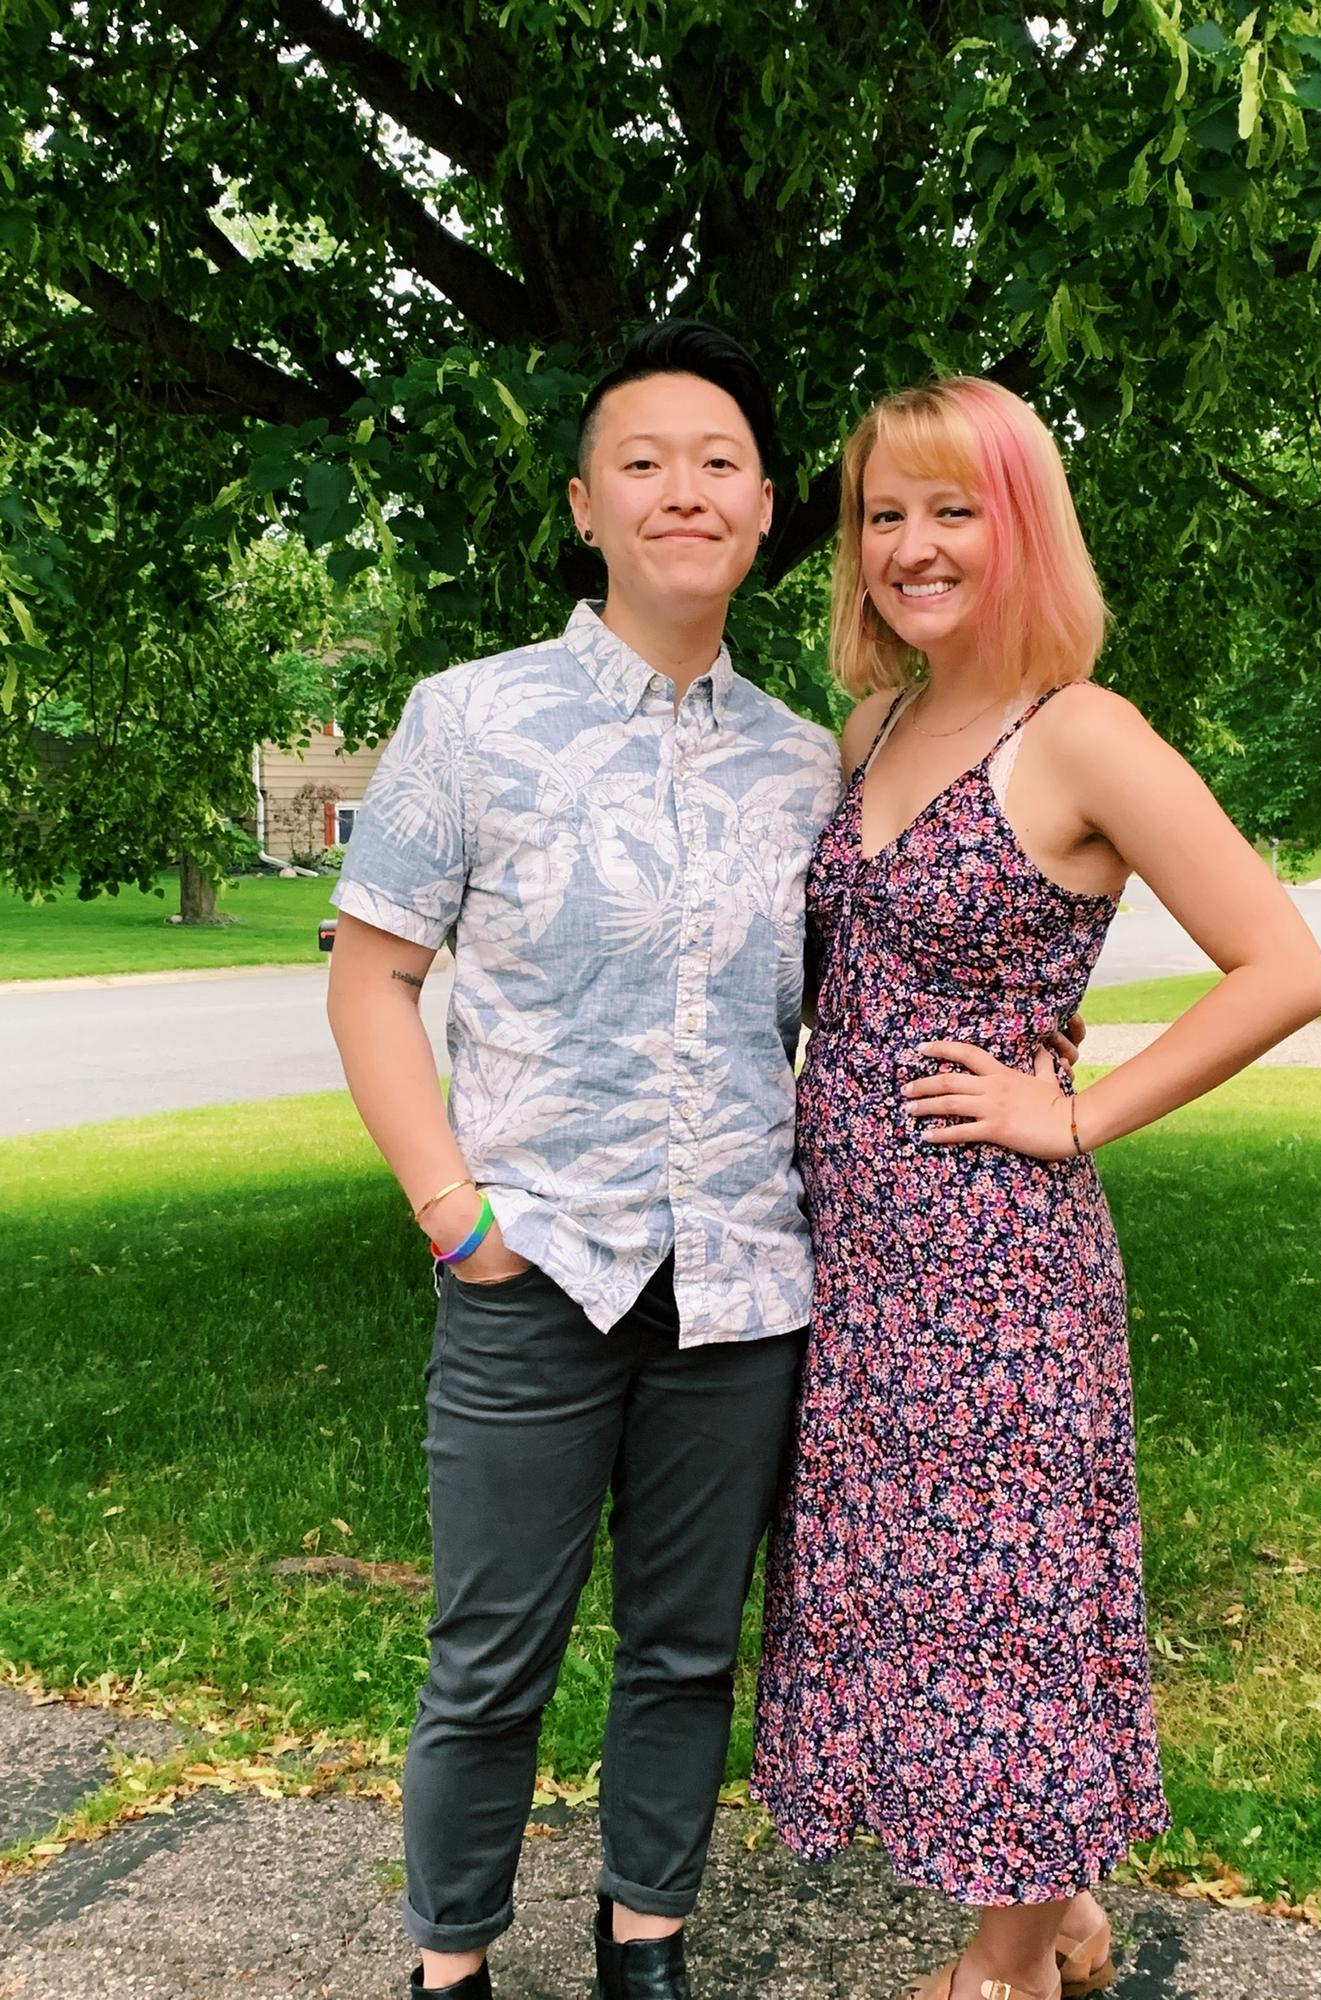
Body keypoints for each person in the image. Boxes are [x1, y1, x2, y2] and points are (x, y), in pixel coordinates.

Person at [751, 377, 1321, 2000]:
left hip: (999, 1269)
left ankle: (1002, 1964)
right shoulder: (870, 727)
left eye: (957, 509)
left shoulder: (1080, 728)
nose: (916, 546)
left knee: (1007, 1599)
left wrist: (1075, 1114)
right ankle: (1062, 1916)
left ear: (1023, 525)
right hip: (858, 1258)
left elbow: (1283, 968)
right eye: (885, 513)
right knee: (920, 1591)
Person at [325, 320, 845, 2000]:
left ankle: (647, 1942)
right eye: (643, 461)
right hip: (532, 1264)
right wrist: (453, 1214)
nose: (681, 490)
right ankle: (451, 1964)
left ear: (765, 510)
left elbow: (833, 1003)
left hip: (741, 1283)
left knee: (689, 1648)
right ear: (586, 505)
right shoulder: (472, 721)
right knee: (490, 1657)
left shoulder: (805, 758)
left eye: (717, 464)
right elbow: (371, 976)